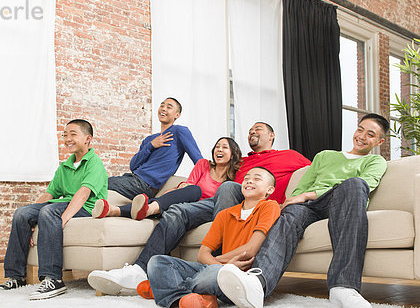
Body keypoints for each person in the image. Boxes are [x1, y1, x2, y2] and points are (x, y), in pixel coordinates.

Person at [87, 122, 310, 296]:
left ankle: (214, 271)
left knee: (228, 187)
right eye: (250, 130)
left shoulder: (289, 157)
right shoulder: (241, 163)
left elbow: (313, 173)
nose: (252, 132)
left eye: (258, 129)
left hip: (254, 207)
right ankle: (139, 271)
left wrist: (299, 197)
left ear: (272, 135)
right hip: (222, 203)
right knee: (179, 211)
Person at [215, 113, 389, 308]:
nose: (362, 136)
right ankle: (257, 283)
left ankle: (344, 287)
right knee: (291, 214)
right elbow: (301, 189)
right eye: (360, 130)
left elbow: (367, 185)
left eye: (370, 134)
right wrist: (292, 201)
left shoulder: (375, 161)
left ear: (379, 141)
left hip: (343, 202)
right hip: (311, 205)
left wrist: (310, 194)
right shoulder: (325, 156)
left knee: (355, 184)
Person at [142, 167, 280, 308]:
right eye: (246, 178)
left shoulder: (270, 206)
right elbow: (202, 254)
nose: (249, 180)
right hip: (219, 268)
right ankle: (188, 299)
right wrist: (223, 265)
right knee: (156, 262)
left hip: (238, 276)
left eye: (257, 178)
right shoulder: (224, 214)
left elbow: (251, 250)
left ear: (269, 189)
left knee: (208, 274)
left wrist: (221, 265)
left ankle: (166, 287)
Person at [0, 119, 108, 300]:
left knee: (49, 212)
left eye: (73, 134)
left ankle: (54, 279)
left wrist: (61, 220)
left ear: (88, 139)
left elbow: (83, 194)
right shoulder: (65, 166)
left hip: (87, 208)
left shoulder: (95, 163)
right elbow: (50, 193)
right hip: (64, 205)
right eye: (65, 135)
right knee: (22, 214)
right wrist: (34, 215)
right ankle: (16, 276)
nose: (67, 139)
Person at [95, 97, 203, 216]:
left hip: (146, 185)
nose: (163, 108)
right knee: (99, 181)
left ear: (177, 114)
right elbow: (133, 165)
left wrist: (190, 183)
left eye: (169, 107)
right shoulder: (149, 140)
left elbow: (199, 161)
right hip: (133, 179)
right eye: (162, 105)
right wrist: (152, 145)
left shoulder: (179, 131)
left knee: (100, 182)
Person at [94, 136, 241, 220]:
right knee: (192, 190)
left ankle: (116, 210)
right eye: (217, 147)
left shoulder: (233, 180)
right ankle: (114, 210)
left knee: (158, 205)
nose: (219, 150)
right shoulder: (203, 164)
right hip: (187, 197)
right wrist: (176, 190)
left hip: (201, 209)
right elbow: (189, 185)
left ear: (233, 153)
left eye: (224, 147)